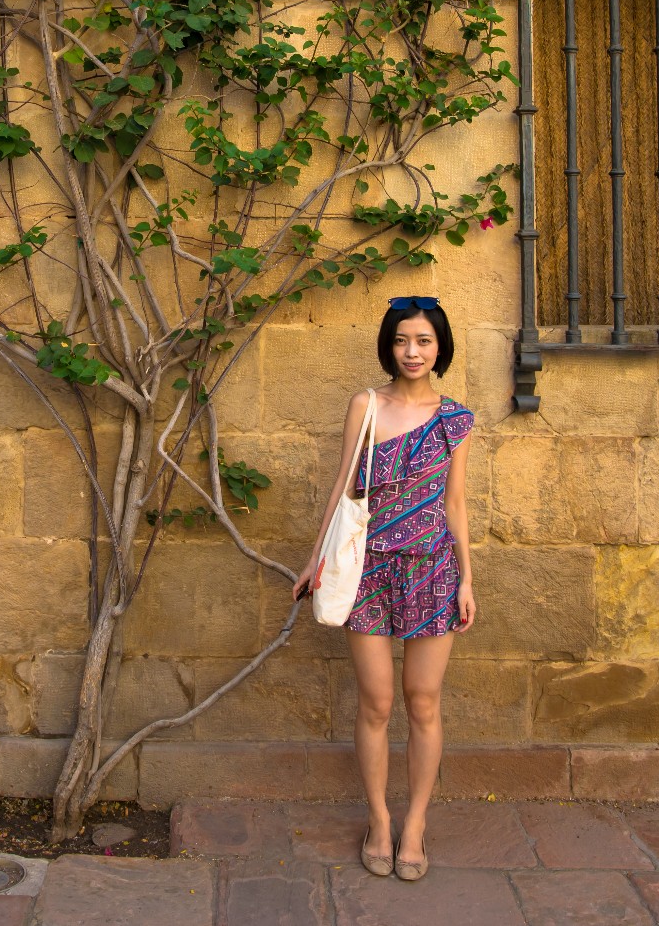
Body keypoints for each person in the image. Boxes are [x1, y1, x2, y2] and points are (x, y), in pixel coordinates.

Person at [291, 295, 476, 882]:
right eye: (402, 340)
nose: (412, 351)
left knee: (423, 701)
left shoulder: (456, 420)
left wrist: (467, 578)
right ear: (389, 346)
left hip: (432, 570)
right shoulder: (366, 405)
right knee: (376, 702)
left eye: (423, 340)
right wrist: (314, 559)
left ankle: (415, 823)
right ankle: (378, 819)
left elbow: (455, 504)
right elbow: (342, 487)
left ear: (439, 346)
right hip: (368, 570)